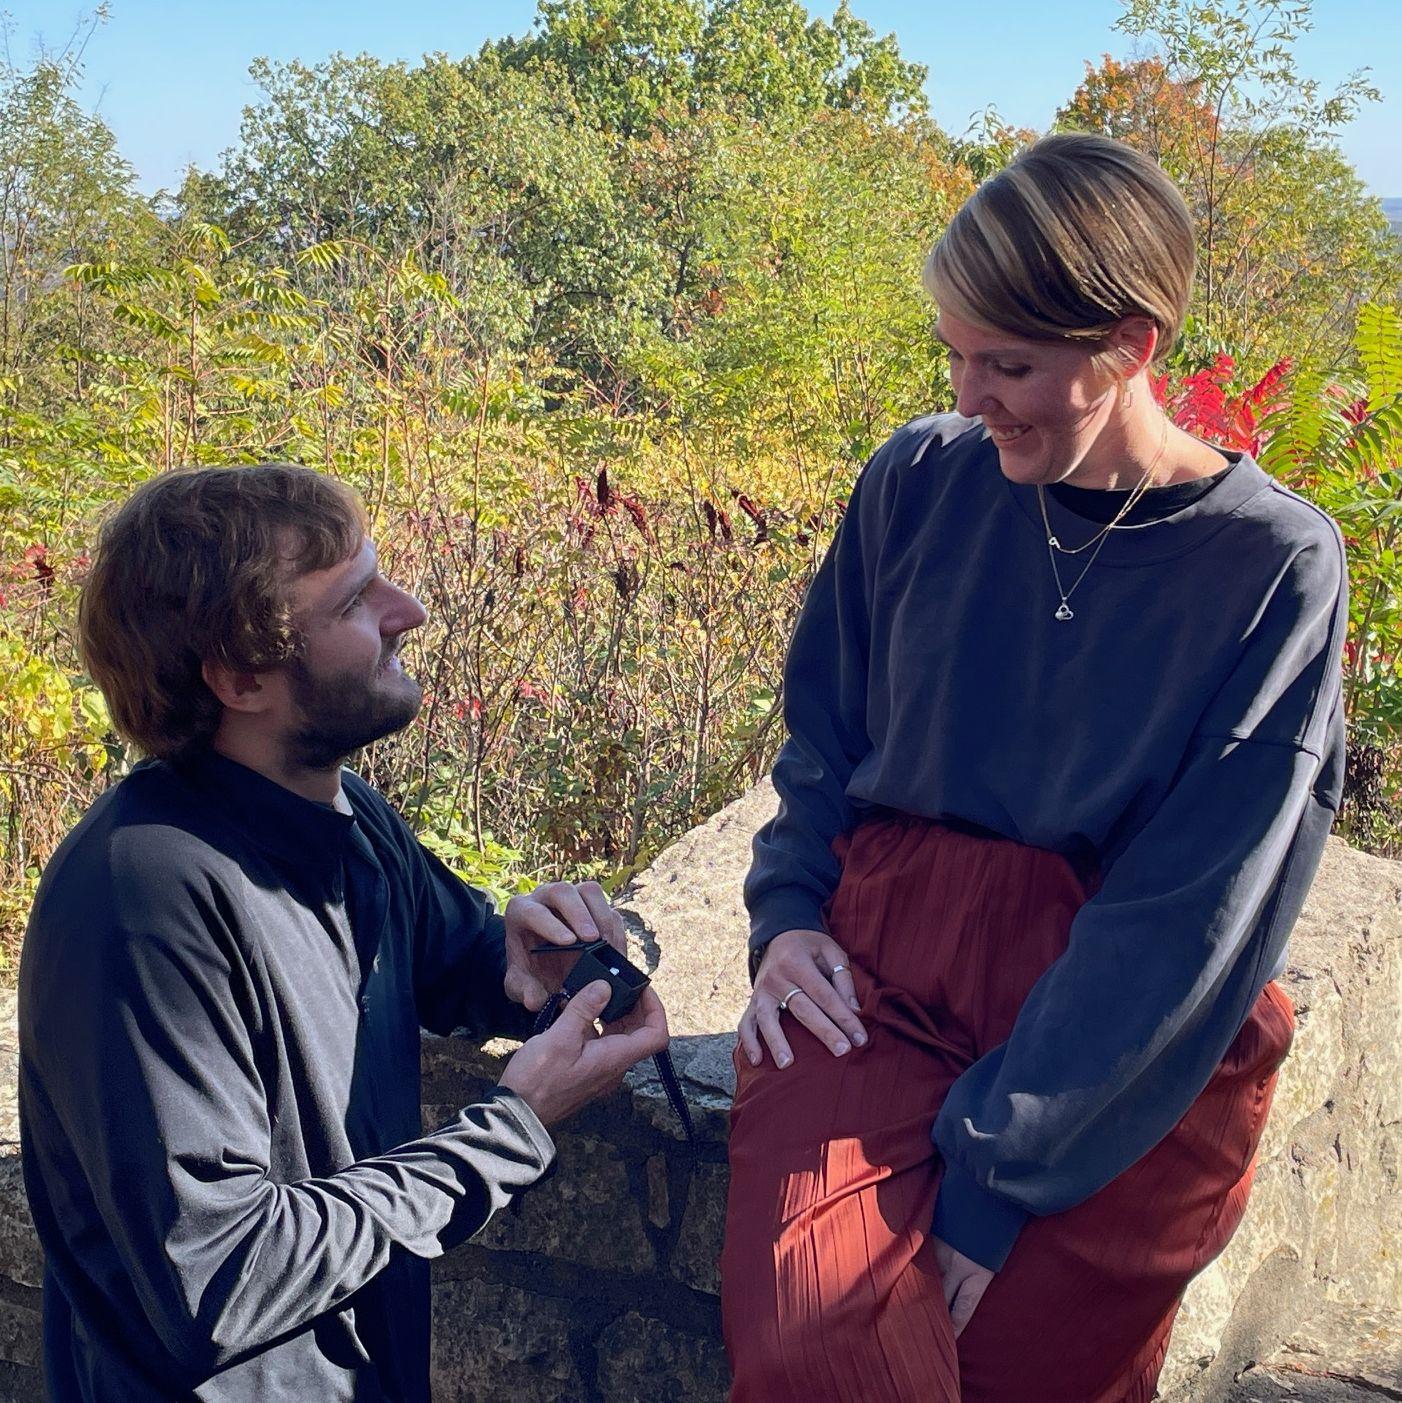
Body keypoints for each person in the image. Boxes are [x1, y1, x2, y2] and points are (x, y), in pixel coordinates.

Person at [721, 132, 1346, 1403]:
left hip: (1124, 1028)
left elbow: (1195, 907)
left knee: (1013, 1369)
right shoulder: (916, 480)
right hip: (876, 976)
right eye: (953, 352)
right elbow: (823, 735)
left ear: (1130, 345)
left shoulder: (1271, 564)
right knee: (818, 1348)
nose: (966, 397)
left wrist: (998, 1176)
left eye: (1006, 362)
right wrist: (783, 916)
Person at [18, 464, 669, 1401]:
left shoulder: (350, 819)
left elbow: (460, 956)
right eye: (357, 599)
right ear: (241, 677)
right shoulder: (139, 900)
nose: (409, 611)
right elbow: (222, 1276)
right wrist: (510, 1131)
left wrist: (534, 960)